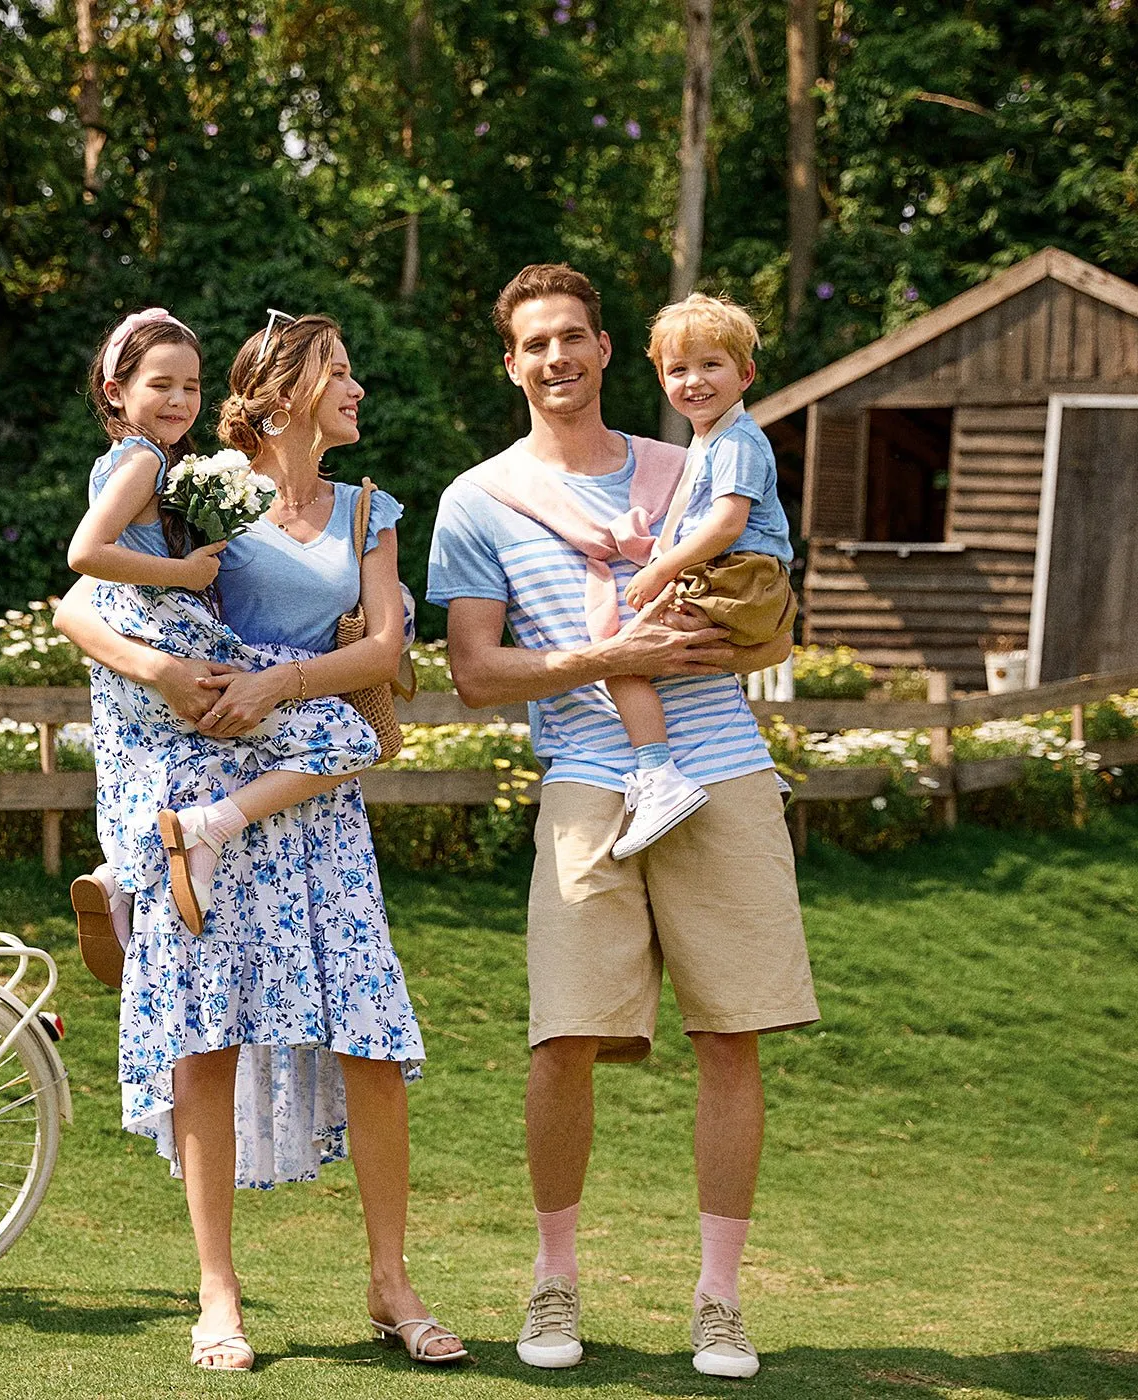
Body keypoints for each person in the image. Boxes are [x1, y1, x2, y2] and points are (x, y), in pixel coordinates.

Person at [427, 263, 819, 1379]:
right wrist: (611, 655)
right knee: (560, 1038)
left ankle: (718, 1299)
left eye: (573, 338)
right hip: (587, 779)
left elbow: (757, 610)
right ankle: (552, 1280)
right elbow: (473, 671)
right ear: (510, 363)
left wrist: (716, 625)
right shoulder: (477, 499)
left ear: (606, 352)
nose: (555, 357)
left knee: (728, 1033)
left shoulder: (690, 463)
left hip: (723, 770)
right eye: (532, 343)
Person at [55, 310, 466, 1371]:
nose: (360, 388)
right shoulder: (201, 487)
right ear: (282, 390)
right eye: (343, 369)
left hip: (314, 800)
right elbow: (84, 604)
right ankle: (218, 1295)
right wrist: (153, 673)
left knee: (368, 1036)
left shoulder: (370, 508)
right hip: (206, 783)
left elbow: (380, 642)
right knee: (204, 1038)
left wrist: (285, 677)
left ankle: (389, 1280)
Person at [66, 307, 381, 969]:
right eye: (162, 385)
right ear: (114, 391)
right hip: (170, 645)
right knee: (347, 736)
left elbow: (383, 646)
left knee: (177, 765)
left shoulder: (159, 470)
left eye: (191, 385)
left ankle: (123, 878)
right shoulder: (163, 468)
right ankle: (188, 841)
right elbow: (81, 573)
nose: (181, 400)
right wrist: (179, 591)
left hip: (154, 649)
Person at [603, 292, 798, 859]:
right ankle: (751, 774)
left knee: (621, 659)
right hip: (738, 575)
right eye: (677, 368)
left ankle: (659, 777)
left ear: (746, 374)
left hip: (739, 576)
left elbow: (726, 524)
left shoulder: (736, 441)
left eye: (711, 365)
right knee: (676, 658)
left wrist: (662, 567)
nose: (694, 380)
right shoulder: (712, 438)